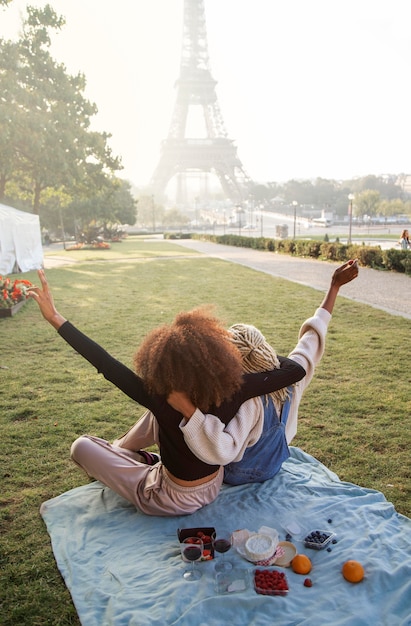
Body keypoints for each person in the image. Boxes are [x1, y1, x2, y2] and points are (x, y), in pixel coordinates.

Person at [28, 270, 305, 516]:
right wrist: (251, 351)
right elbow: (294, 370)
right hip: (213, 487)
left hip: (169, 498)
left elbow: (106, 364)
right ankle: (142, 460)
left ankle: (139, 460)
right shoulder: (238, 388)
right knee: (131, 439)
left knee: (83, 446)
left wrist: (55, 318)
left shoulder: (160, 399)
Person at [170, 259, 359, 485]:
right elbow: (311, 338)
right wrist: (334, 287)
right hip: (274, 468)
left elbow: (224, 449)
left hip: (236, 475)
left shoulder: (248, 401)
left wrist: (192, 415)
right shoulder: (292, 378)